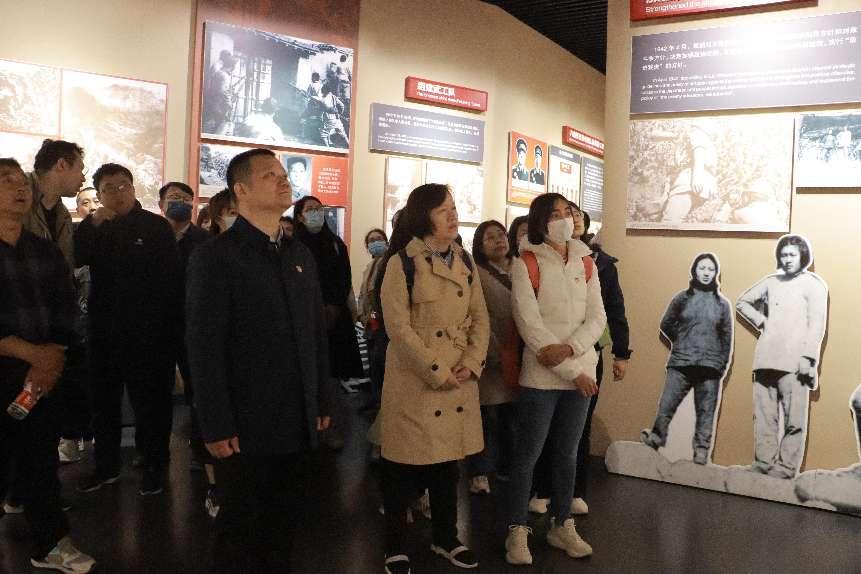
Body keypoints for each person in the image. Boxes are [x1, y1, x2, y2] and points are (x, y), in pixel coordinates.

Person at [186, 148, 333, 572]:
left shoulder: (299, 255)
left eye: (283, 173)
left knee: (284, 522)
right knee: (241, 529)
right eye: (269, 175)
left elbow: (315, 334)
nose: (283, 179)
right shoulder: (216, 256)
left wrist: (322, 398)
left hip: (297, 416)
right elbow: (204, 346)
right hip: (245, 421)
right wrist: (215, 422)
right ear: (242, 189)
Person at [378, 183, 489, 574]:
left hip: (458, 379)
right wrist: (437, 371)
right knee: (401, 469)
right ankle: (395, 545)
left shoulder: (465, 260)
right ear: (423, 215)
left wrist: (471, 363)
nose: (453, 215)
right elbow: (398, 328)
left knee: (447, 468)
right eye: (444, 209)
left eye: (454, 207)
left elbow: (481, 318)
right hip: (417, 382)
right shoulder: (401, 263)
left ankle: (446, 537)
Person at [0, 157, 96, 572]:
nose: (19, 187)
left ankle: (51, 544)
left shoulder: (43, 249)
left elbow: (66, 308)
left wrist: (52, 355)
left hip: (41, 375)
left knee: (41, 461)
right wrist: (29, 353)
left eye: (21, 181)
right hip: (9, 365)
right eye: (6, 181)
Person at [504, 193, 605, 566]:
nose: (564, 219)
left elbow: (597, 317)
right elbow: (529, 325)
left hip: (580, 372)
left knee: (567, 454)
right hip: (544, 379)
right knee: (527, 456)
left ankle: (562, 523)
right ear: (539, 221)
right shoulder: (525, 262)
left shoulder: (585, 260)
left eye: (568, 212)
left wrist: (572, 349)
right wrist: (572, 369)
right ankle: (517, 529)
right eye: (554, 214)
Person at [74, 163, 182, 496]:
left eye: (124, 186)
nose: (118, 193)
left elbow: (173, 282)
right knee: (103, 404)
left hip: (150, 335)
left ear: (134, 189)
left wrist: (170, 335)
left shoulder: (155, 226)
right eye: (109, 188)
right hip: (104, 332)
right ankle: (106, 467)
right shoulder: (94, 227)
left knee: (152, 405)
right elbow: (75, 257)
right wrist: (93, 223)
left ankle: (154, 467)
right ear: (99, 194)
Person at [530, 206, 632, 516]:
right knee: (544, 428)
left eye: (575, 215)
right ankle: (542, 489)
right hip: (547, 352)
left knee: (579, 427)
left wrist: (621, 353)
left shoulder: (600, 264)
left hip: (587, 352)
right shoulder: (536, 259)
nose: (570, 220)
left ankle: (575, 491)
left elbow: (612, 310)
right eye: (563, 214)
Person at [736, 234, 828, 479]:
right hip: (766, 358)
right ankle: (763, 463)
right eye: (784, 255)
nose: (787, 259)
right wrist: (761, 320)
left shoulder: (813, 284)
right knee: (764, 416)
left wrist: (808, 358)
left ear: (802, 256)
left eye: (792, 255)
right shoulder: (771, 282)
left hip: (795, 361)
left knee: (794, 419)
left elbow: (816, 325)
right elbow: (742, 302)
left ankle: (786, 468)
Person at [25, 140, 88, 467]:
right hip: (19, 321)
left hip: (52, 322)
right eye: (80, 168)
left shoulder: (61, 213)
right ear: (61, 165)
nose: (82, 177)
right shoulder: (18, 202)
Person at [640, 253, 732, 465]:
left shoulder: (722, 304)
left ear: (716, 273)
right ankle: (655, 438)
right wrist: (682, 340)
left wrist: (721, 364)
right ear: (694, 271)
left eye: (711, 269)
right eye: (702, 268)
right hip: (681, 363)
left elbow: (726, 338)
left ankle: (701, 452)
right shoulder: (682, 298)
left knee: (706, 412)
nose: (706, 273)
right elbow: (666, 323)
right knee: (666, 404)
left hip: (710, 367)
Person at [465, 220, 518, 496]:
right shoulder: (476, 273)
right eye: (490, 237)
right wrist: (490, 349)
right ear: (480, 244)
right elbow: (475, 315)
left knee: (511, 417)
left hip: (519, 353)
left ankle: (507, 467)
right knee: (486, 417)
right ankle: (480, 471)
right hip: (489, 353)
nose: (499, 240)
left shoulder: (521, 268)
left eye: (502, 234)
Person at [294, 195, 364, 384]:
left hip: (335, 312)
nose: (315, 213)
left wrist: (334, 306)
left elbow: (344, 277)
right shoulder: (293, 245)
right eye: (310, 209)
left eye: (318, 209)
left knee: (335, 369)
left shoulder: (335, 243)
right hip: (305, 314)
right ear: (300, 216)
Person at [357, 228, 389, 412]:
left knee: (380, 362)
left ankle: (382, 403)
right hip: (370, 323)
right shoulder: (369, 267)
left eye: (378, 239)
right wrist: (362, 316)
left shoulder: (388, 263)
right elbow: (364, 294)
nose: (375, 242)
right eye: (371, 240)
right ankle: (375, 399)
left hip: (382, 323)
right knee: (372, 362)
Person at [203, 49, 239, 135]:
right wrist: (229, 104)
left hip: (215, 106)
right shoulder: (223, 75)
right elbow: (222, 92)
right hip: (218, 108)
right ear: (232, 67)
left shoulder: (219, 73)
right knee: (218, 131)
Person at [318, 83, 349, 147]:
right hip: (336, 118)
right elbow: (342, 105)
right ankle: (349, 146)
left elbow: (323, 110)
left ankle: (327, 148)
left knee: (323, 133)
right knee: (343, 133)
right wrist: (339, 113)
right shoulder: (333, 96)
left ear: (323, 90)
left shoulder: (322, 99)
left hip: (328, 119)